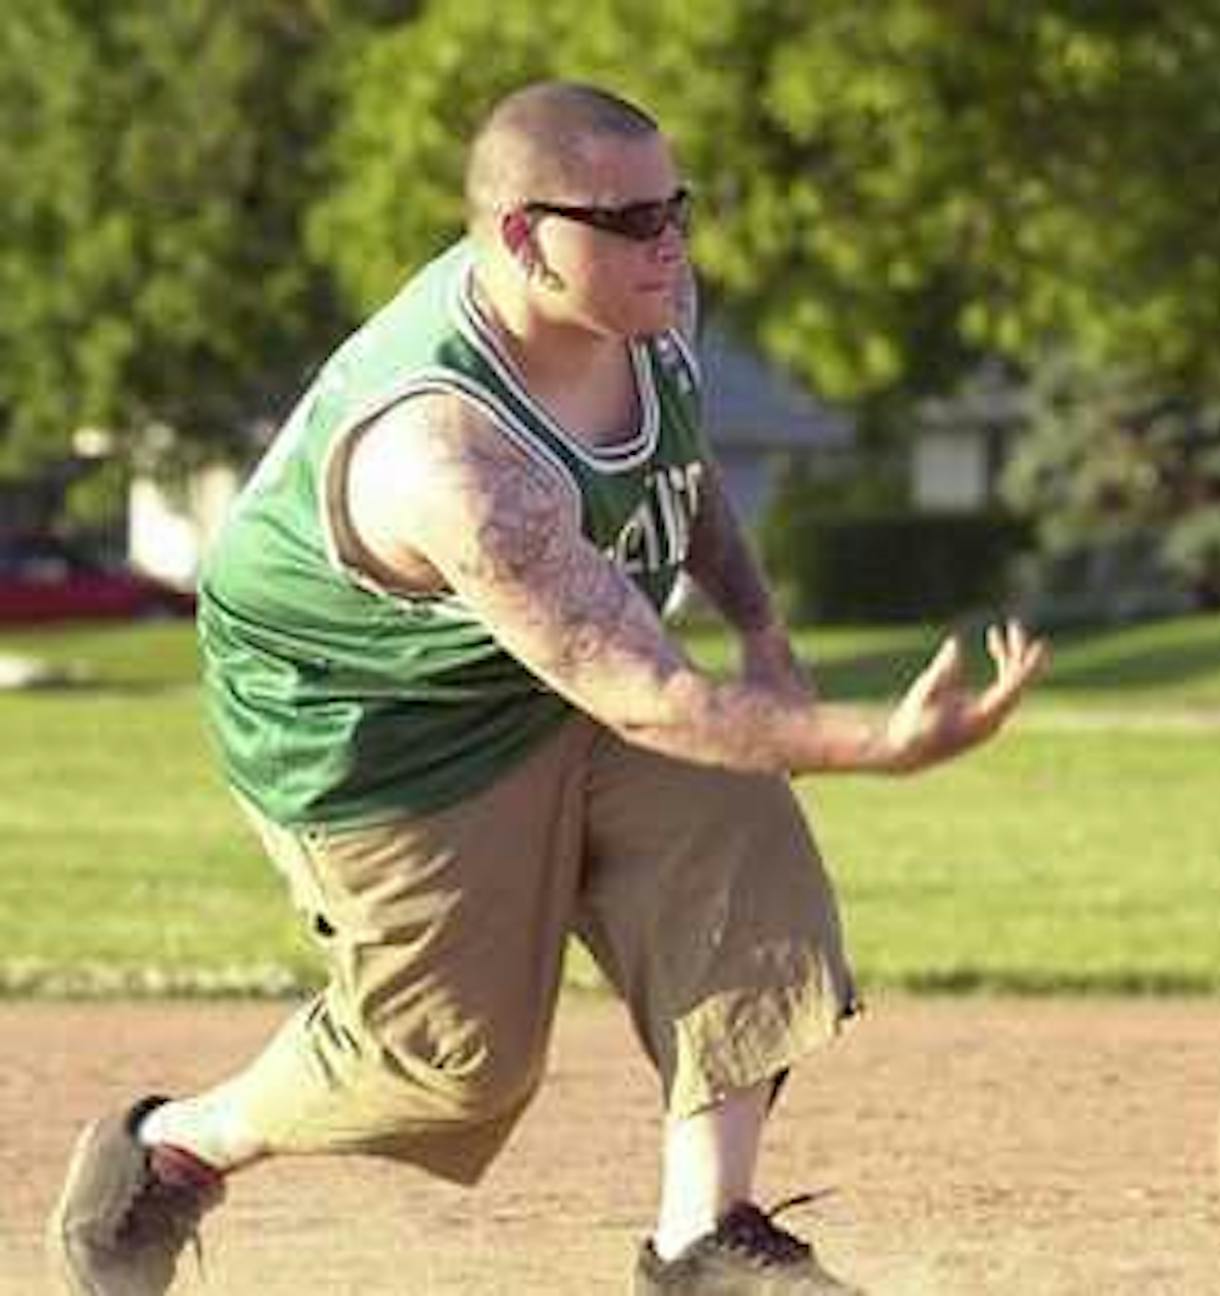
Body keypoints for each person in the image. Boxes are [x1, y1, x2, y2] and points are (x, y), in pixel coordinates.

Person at [47, 80, 1048, 1296]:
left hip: (567, 657)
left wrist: (763, 627)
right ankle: (172, 1151)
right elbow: (643, 693)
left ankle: (702, 1239)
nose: (668, 243)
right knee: (447, 1067)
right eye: (630, 221)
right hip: (382, 740)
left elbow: (676, 460)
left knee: (740, 836)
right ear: (523, 236)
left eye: (676, 207)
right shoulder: (447, 455)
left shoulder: (643, 309)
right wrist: (873, 742)